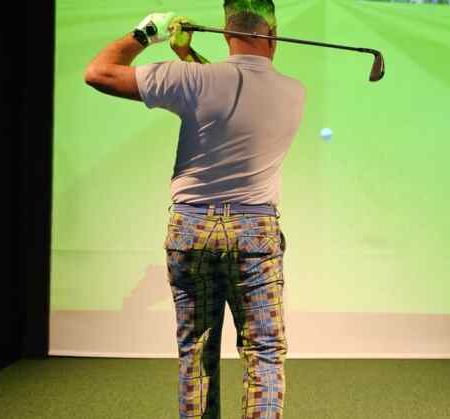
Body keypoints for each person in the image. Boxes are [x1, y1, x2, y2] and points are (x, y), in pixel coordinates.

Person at [83, 1, 305, 418]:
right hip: (254, 232)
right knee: (264, 354)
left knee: (196, 354)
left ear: (225, 34)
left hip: (190, 230)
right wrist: (189, 59)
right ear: (272, 36)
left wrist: (147, 35)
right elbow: (233, 96)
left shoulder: (192, 80)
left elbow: (99, 72)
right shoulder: (294, 91)